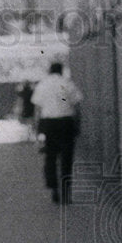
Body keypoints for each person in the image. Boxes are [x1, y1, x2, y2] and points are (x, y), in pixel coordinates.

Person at [31, 62, 83, 204]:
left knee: (50, 157)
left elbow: (37, 110)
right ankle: (66, 192)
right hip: (66, 123)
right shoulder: (68, 83)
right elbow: (77, 107)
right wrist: (77, 125)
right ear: (61, 71)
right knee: (66, 158)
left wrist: (37, 130)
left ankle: (54, 189)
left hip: (49, 124)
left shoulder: (42, 85)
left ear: (49, 71)